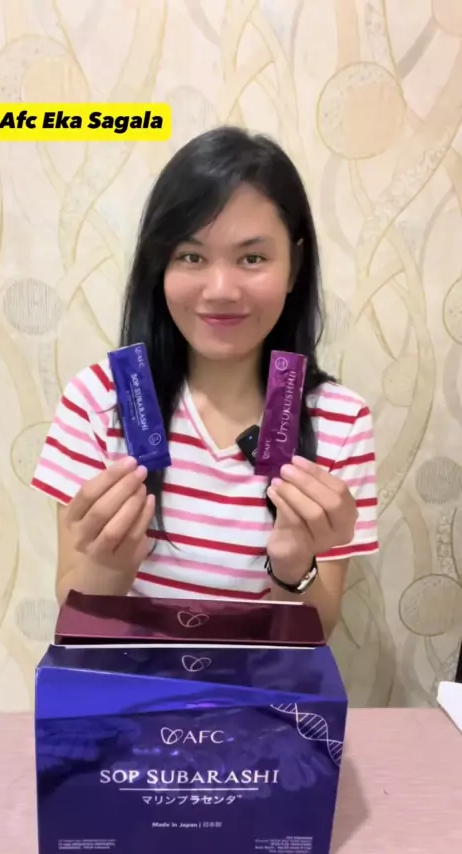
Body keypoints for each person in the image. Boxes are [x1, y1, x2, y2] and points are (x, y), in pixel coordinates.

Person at [31, 126, 378, 637]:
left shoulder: (340, 421)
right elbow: (76, 620)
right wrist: (110, 564)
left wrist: (293, 565)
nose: (220, 290)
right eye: (191, 256)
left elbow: (312, 633)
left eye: (252, 258)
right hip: (129, 680)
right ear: (160, 265)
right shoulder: (99, 401)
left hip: (257, 685)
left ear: (294, 267)